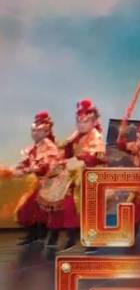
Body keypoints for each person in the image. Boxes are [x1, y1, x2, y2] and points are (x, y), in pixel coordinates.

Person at [57, 99, 108, 253]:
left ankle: (92, 242)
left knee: (90, 209)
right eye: (79, 121)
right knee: (69, 207)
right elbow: (67, 155)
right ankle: (71, 238)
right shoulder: (76, 137)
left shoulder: (96, 137)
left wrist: (81, 158)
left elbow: (96, 158)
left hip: (91, 177)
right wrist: (67, 148)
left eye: (85, 121)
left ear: (93, 122)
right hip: (75, 176)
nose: (81, 125)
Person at [3, 111, 61, 246]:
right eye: (33, 131)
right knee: (27, 210)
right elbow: (26, 163)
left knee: (36, 210)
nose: (35, 134)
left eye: (39, 131)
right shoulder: (34, 148)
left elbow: (43, 167)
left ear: (46, 132)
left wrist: (25, 170)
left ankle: (41, 236)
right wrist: (14, 169)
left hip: (51, 184)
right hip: (40, 183)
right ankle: (35, 236)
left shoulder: (50, 148)